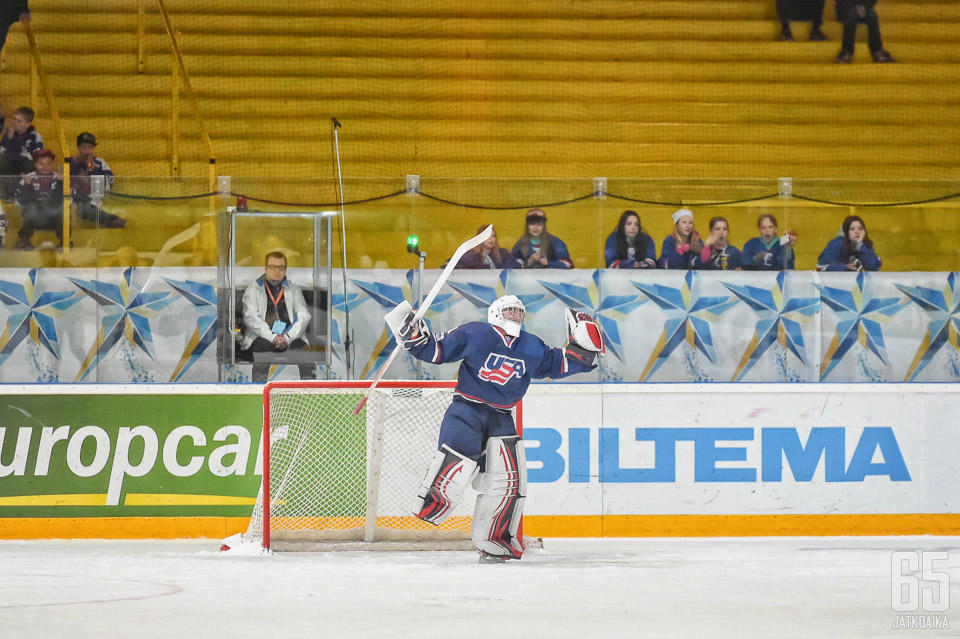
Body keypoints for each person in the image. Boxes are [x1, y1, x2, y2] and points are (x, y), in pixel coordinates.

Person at [390, 295, 603, 562]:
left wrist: (584, 345)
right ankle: (431, 506)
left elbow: (560, 363)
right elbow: (437, 350)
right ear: (495, 312)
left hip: (502, 416)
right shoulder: (475, 333)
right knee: (455, 467)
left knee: (508, 481)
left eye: (518, 311)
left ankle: (494, 540)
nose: (514, 315)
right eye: (509, 310)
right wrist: (413, 334)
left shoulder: (531, 345)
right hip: (467, 410)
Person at [240, 251, 316, 383]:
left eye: (281, 267)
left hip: (290, 337)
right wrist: (273, 337)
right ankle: (259, 393)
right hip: (262, 336)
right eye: (272, 267)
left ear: (285, 269)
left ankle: (310, 393)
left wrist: (287, 337)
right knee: (262, 352)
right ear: (265, 268)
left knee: (306, 354)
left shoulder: (293, 288)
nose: (276, 270)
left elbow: (303, 315)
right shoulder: (254, 288)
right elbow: (251, 318)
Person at [68, 132, 125, 228]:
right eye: (84, 147)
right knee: (81, 208)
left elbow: (109, 183)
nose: (87, 151)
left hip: (94, 198)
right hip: (74, 198)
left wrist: (93, 171)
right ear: (78, 147)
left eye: (89, 147)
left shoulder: (99, 162)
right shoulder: (70, 163)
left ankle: (112, 219)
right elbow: (64, 182)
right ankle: (111, 219)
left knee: (87, 208)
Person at [14, 148, 62, 249]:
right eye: (41, 163)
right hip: (35, 218)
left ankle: (65, 241)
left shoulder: (59, 178)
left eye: (48, 163)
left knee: (63, 210)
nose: (45, 167)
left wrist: (60, 183)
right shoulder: (28, 179)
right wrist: (28, 185)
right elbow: (21, 201)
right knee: (31, 208)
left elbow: (67, 200)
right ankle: (24, 241)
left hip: (53, 217)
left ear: (53, 164)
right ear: (35, 165)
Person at [0, 106, 43, 199]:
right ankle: (6, 196)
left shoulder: (35, 137)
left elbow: (35, 159)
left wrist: (13, 155)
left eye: (19, 121)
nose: (14, 122)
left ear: (27, 124)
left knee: (29, 163)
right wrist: (10, 138)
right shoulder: (8, 134)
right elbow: (2, 153)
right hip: (11, 169)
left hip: (26, 171)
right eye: (14, 119)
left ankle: (27, 195)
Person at [510, 208, 574, 269]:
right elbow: (510, 264)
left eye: (539, 224)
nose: (535, 227)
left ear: (544, 226)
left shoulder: (555, 241)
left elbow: (568, 264)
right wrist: (528, 263)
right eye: (532, 224)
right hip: (528, 279)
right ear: (527, 226)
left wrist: (548, 263)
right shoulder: (521, 243)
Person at [816, 214, 881, 271]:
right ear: (846, 232)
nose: (857, 232)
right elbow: (820, 267)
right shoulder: (837, 243)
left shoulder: (865, 244)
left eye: (860, 228)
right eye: (852, 229)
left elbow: (875, 267)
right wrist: (845, 267)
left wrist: (860, 245)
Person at [449, 224, 522, 269]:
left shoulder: (503, 253)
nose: (491, 239)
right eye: (487, 236)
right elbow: (451, 264)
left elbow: (514, 265)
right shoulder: (471, 255)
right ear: (480, 237)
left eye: (493, 236)